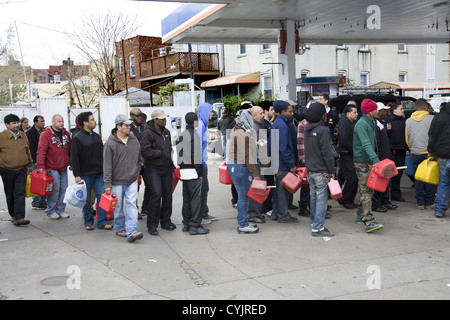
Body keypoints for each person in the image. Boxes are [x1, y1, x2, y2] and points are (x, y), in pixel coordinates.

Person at [103, 114, 143, 242]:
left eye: (129, 125)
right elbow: (107, 165)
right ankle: (120, 228)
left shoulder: (134, 140)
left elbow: (139, 158)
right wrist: (107, 184)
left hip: (131, 179)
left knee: (131, 205)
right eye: (126, 125)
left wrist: (137, 170)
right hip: (116, 181)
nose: (129, 127)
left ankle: (132, 231)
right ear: (118, 127)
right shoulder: (110, 143)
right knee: (118, 206)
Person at [71, 111, 113, 231]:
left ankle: (102, 222)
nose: (95, 122)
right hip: (85, 174)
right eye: (92, 119)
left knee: (102, 196)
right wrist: (77, 175)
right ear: (85, 123)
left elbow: (102, 155)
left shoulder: (96, 136)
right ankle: (88, 222)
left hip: (99, 173)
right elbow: (74, 158)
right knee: (86, 198)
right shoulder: (77, 138)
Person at [140, 109, 175, 236]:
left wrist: (171, 163)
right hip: (153, 168)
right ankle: (152, 225)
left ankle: (165, 221)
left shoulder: (166, 132)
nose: (165, 120)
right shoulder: (147, 133)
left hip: (166, 168)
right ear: (155, 120)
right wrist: (160, 153)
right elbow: (145, 152)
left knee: (168, 195)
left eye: (165, 118)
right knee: (156, 195)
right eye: (162, 119)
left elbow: (169, 149)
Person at [304, 103, 336, 237]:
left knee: (313, 197)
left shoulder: (306, 129)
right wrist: (332, 170)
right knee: (322, 199)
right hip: (321, 171)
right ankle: (318, 228)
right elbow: (327, 153)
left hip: (311, 170)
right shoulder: (323, 130)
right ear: (321, 116)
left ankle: (314, 222)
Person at [227, 109, 260, 234]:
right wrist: (255, 174)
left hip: (236, 166)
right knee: (243, 197)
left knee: (243, 196)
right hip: (240, 167)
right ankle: (242, 224)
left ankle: (243, 221)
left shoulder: (238, 130)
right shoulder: (242, 134)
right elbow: (247, 156)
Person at [353, 99, 384, 233]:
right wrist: (376, 159)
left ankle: (361, 214)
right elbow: (366, 144)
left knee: (367, 189)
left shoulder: (370, 122)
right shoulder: (361, 124)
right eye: (376, 109)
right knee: (366, 190)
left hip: (367, 161)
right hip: (362, 162)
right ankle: (369, 221)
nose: (378, 111)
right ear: (370, 111)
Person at [176, 112, 209, 235]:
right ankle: (195, 225)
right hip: (193, 171)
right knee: (196, 199)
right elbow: (197, 157)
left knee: (187, 199)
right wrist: (200, 173)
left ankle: (186, 223)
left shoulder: (182, 135)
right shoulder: (194, 135)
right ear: (195, 121)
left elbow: (179, 155)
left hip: (184, 170)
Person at [36, 114, 71, 220]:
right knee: (54, 191)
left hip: (63, 167)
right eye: (59, 121)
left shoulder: (66, 134)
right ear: (53, 122)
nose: (61, 123)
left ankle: (61, 209)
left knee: (63, 190)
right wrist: (41, 166)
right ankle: (51, 210)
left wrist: (71, 163)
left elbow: (70, 149)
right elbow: (41, 151)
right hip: (52, 168)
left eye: (62, 121)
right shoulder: (46, 134)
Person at [0, 114, 33, 226]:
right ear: (7, 125)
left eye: (17, 122)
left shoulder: (23, 135)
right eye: (13, 123)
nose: (16, 125)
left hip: (21, 169)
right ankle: (13, 215)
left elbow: (27, 150)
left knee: (20, 192)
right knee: (10, 193)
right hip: (6, 169)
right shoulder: (1, 136)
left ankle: (20, 217)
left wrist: (29, 164)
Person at [270, 100, 298, 223]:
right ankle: (283, 215)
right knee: (283, 191)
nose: (292, 113)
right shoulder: (282, 125)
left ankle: (276, 213)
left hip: (278, 162)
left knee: (278, 190)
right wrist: (291, 164)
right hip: (282, 163)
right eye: (289, 111)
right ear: (282, 111)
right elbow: (283, 148)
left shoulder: (278, 122)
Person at [406, 98, 437, 210]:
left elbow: (407, 138)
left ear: (416, 107)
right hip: (429, 153)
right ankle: (429, 202)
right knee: (430, 178)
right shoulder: (432, 119)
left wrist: (412, 148)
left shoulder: (408, 121)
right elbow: (435, 136)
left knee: (418, 178)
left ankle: (420, 203)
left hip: (415, 152)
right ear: (425, 107)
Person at [372, 103, 398, 212]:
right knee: (377, 183)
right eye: (383, 110)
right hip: (380, 158)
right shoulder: (374, 125)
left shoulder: (381, 123)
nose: (386, 113)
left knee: (386, 181)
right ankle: (376, 203)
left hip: (385, 158)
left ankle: (385, 200)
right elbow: (376, 143)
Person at [427, 102, 450, 218]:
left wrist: (430, 151)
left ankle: (440, 210)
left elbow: (432, 135)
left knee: (444, 182)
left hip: (443, 155)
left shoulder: (439, 116)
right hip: (444, 154)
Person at [196, 103, 218, 224]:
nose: (212, 114)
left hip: (202, 162)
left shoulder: (201, 124)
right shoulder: (199, 125)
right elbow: (198, 146)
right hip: (200, 163)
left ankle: (204, 212)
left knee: (205, 188)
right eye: (210, 111)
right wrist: (201, 165)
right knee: (202, 189)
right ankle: (200, 216)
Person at [337, 104, 359, 209]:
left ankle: (345, 198)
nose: (356, 114)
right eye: (354, 112)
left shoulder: (350, 123)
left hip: (349, 154)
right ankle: (346, 200)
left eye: (356, 112)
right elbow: (344, 140)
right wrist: (355, 149)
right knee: (352, 179)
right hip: (346, 154)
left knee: (344, 177)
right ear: (348, 113)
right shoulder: (345, 123)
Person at [129, 107, 150, 219]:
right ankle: (134, 210)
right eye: (137, 116)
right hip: (134, 162)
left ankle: (145, 207)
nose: (140, 117)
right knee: (134, 188)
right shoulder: (128, 127)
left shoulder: (144, 127)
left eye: (141, 115)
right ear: (132, 117)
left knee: (150, 185)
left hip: (145, 161)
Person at [385, 103, 407, 202]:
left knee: (399, 174)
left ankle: (396, 194)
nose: (403, 110)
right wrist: (388, 130)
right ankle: (386, 195)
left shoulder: (403, 120)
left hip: (401, 150)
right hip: (392, 151)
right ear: (395, 110)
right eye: (401, 109)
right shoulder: (388, 120)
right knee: (390, 174)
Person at [26, 115, 47, 210]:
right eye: (41, 121)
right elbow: (31, 148)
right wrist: (35, 161)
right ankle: (36, 201)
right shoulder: (30, 133)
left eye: (43, 121)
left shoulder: (45, 131)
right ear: (35, 122)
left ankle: (43, 201)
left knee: (45, 181)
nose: (43, 123)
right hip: (36, 161)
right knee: (37, 181)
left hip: (45, 161)